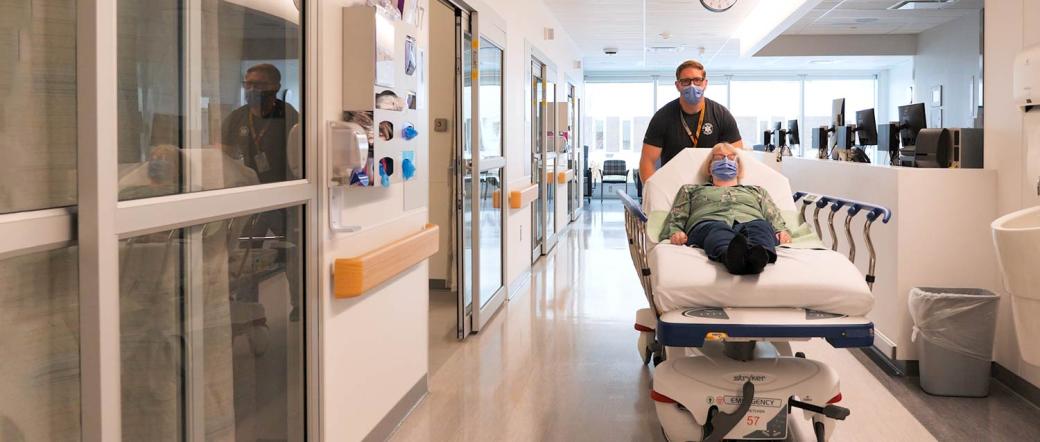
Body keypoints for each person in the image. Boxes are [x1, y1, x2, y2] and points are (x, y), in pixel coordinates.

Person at [660, 143, 791, 275]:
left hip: (750, 220)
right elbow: (676, 217)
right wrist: (675, 232)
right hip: (709, 222)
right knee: (718, 229)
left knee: (761, 226)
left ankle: (757, 258)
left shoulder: (757, 191)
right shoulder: (691, 190)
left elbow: (773, 215)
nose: (725, 161)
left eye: (731, 157)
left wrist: (781, 230)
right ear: (709, 166)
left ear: (738, 167)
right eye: (719, 157)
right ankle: (731, 257)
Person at [640, 60, 742, 182]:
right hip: (673, 186)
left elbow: (738, 157)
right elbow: (647, 161)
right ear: (677, 85)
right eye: (685, 81)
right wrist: (651, 193)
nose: (692, 85)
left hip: (711, 188)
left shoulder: (721, 114)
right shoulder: (662, 117)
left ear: (705, 83)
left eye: (697, 80)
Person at [222, 63, 300, 183]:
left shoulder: (289, 115)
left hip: (282, 185)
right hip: (246, 185)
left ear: (276, 87)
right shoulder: (236, 117)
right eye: (248, 84)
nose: (252, 89)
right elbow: (223, 155)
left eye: (259, 84)